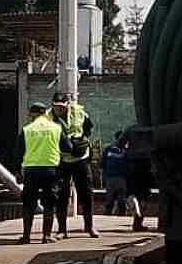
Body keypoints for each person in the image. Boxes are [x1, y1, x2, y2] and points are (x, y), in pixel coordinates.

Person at [51, 90, 97, 238]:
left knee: (86, 193)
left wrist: (81, 142)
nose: (59, 109)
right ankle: (62, 230)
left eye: (62, 106)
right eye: (56, 106)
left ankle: (89, 227)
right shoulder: (48, 116)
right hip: (61, 159)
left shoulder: (79, 112)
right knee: (61, 195)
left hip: (81, 159)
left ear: (68, 104)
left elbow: (89, 127)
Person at [19, 102, 63, 245]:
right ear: (45, 113)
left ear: (32, 114)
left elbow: (18, 152)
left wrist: (17, 171)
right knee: (49, 203)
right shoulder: (56, 128)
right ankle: (46, 236)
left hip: (31, 170)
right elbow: (68, 147)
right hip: (50, 169)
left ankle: (26, 236)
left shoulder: (27, 129)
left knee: (28, 204)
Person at [101, 131, 145, 230]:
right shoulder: (124, 151)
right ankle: (114, 219)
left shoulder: (110, 150)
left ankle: (113, 219)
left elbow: (103, 164)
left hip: (114, 178)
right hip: (118, 178)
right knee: (115, 200)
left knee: (115, 201)